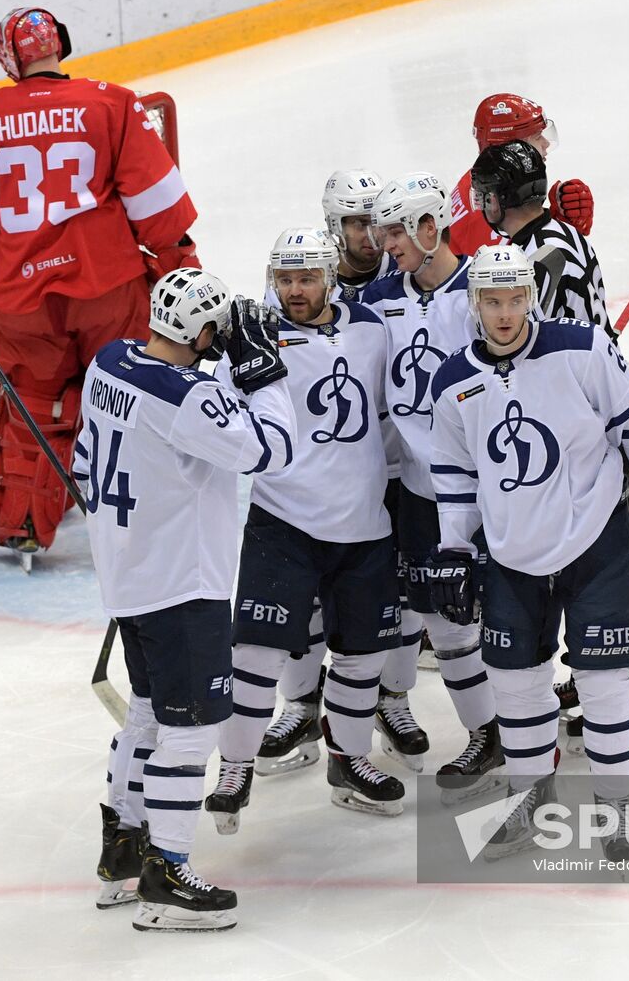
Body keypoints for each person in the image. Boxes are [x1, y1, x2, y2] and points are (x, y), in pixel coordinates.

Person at [426, 244, 629, 861]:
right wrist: (453, 546)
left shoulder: (581, 349)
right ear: (474, 303)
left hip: (595, 542)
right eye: (492, 301)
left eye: (515, 299)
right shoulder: (452, 383)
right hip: (511, 553)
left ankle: (617, 809)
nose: (505, 314)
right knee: (517, 684)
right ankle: (531, 799)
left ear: (532, 296)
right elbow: (453, 470)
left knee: (605, 683)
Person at [0, 7, 200, 570]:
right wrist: (182, 263)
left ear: (9, 58)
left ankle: (24, 523)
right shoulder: (113, 102)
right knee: (126, 394)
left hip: (21, 303)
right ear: (59, 43)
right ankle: (145, 514)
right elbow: (158, 207)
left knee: (38, 408)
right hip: (109, 288)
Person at [79, 267, 294, 931]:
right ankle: (167, 871)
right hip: (181, 585)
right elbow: (273, 449)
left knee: (146, 712)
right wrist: (266, 372)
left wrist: (220, 372)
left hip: (128, 578)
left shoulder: (109, 362)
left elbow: (107, 451)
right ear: (203, 332)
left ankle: (123, 849)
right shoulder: (188, 399)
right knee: (190, 728)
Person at [470, 139, 629, 751]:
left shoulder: (532, 259)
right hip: (589, 420)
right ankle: (624, 683)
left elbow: (537, 347)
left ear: (503, 197)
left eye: (487, 194)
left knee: (604, 568)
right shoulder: (557, 239)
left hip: (588, 431)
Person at [206, 228, 405, 826]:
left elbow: (396, 408)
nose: (295, 290)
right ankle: (236, 768)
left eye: (307, 278)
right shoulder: (255, 337)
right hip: (284, 520)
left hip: (365, 525)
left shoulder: (372, 327)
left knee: (362, 656)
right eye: (284, 279)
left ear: (330, 275)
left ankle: (349, 760)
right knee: (255, 655)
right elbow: (211, 414)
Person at [257, 171, 425, 777]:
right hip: (313, 486)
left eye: (374, 223)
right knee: (306, 609)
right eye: (356, 224)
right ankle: (301, 707)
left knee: (395, 602)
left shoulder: (393, 287)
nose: (370, 236)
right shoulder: (278, 308)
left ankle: (389, 702)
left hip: (389, 476)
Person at [359, 174, 502, 805]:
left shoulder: (481, 291)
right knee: (440, 621)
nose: (383, 244)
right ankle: (489, 731)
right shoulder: (381, 300)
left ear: (428, 227)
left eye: (394, 231)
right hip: (418, 491)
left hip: (487, 489)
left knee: (500, 618)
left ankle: (526, 726)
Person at [447, 93, 594, 258]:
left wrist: (556, 223)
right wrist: (561, 227)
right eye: (537, 137)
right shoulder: (488, 213)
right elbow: (519, 278)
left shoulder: (488, 187)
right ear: (510, 150)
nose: (545, 143)